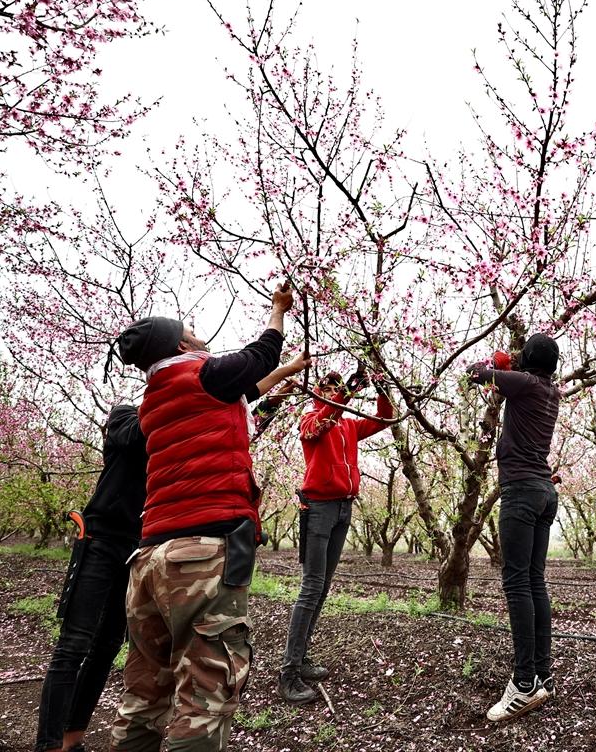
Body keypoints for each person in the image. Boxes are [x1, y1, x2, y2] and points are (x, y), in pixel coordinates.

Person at [109, 283, 308, 752]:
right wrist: (278, 311)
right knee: (204, 696)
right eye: (193, 333)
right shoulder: (200, 373)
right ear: (181, 346)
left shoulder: (156, 399)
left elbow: (230, 399)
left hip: (149, 559)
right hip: (199, 556)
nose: (201, 338)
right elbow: (256, 356)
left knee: (144, 693)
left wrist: (283, 376)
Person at [276, 366, 394, 704]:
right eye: (326, 386)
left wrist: (382, 385)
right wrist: (348, 391)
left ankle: (301, 658)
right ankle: (288, 673)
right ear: (317, 391)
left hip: (343, 506)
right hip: (317, 507)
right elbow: (320, 420)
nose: (331, 390)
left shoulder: (349, 425)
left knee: (323, 587)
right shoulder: (310, 419)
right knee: (311, 586)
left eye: (336, 386)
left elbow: (384, 417)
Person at [34, 405, 146, 752]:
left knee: (108, 646)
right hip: (100, 541)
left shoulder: (174, 431)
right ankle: (48, 746)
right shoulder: (125, 417)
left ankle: (72, 739)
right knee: (73, 646)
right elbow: (134, 435)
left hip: (136, 546)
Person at [467, 333, 561, 722]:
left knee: (516, 583)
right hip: (544, 491)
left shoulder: (523, 384)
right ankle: (542, 674)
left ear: (529, 362)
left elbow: (475, 374)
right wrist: (507, 371)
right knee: (534, 581)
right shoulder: (551, 392)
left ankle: (523, 684)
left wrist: (498, 366)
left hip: (522, 491)